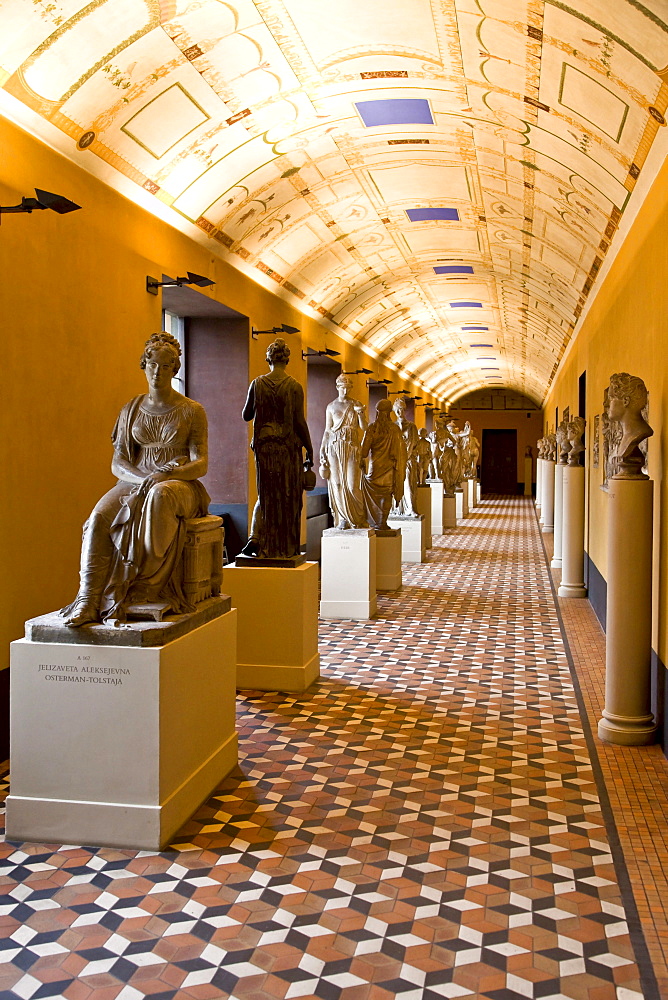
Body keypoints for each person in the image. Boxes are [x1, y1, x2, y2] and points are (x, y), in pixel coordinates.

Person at [62, 332, 210, 626]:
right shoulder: (130, 409)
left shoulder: (192, 411)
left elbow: (201, 463)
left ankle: (143, 587)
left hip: (178, 483)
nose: (158, 371)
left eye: (166, 366)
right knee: (98, 519)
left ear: (174, 369)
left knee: (160, 496)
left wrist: (168, 474)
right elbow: (118, 462)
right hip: (135, 481)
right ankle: (88, 598)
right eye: (152, 364)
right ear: (144, 365)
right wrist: (142, 477)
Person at [241, 338, 314, 559]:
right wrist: (310, 449)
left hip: (265, 448)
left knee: (267, 495)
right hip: (287, 449)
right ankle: (284, 547)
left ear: (268, 359)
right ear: (287, 360)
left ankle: (264, 544)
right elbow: (299, 422)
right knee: (288, 496)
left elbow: (246, 415)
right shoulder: (294, 386)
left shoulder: (257, 383)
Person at [319, 374, 367, 529]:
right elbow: (327, 430)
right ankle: (343, 519)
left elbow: (365, 428)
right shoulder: (331, 407)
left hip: (352, 446)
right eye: (342, 387)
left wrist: (360, 414)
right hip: (334, 445)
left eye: (348, 387)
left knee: (353, 485)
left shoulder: (356, 404)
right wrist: (322, 449)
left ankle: (358, 518)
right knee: (337, 483)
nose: (345, 390)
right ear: (337, 387)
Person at [360, 399, 405, 530]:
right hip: (390, 468)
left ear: (377, 412)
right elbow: (402, 452)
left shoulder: (372, 428)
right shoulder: (395, 429)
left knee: (374, 495)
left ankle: (374, 522)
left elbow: (363, 452)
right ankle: (382, 522)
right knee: (387, 495)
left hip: (375, 469)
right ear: (390, 412)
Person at [607, 372, 653, 478]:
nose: (606, 404)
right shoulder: (627, 437)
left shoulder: (639, 433)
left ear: (626, 401)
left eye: (611, 398)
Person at [391, 396, 418, 515]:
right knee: (395, 485)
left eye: (401, 409)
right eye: (397, 409)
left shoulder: (411, 426)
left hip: (407, 459)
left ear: (404, 410)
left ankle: (410, 508)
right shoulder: (392, 426)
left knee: (408, 484)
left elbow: (413, 443)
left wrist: (405, 457)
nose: (399, 412)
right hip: (395, 460)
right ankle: (396, 508)